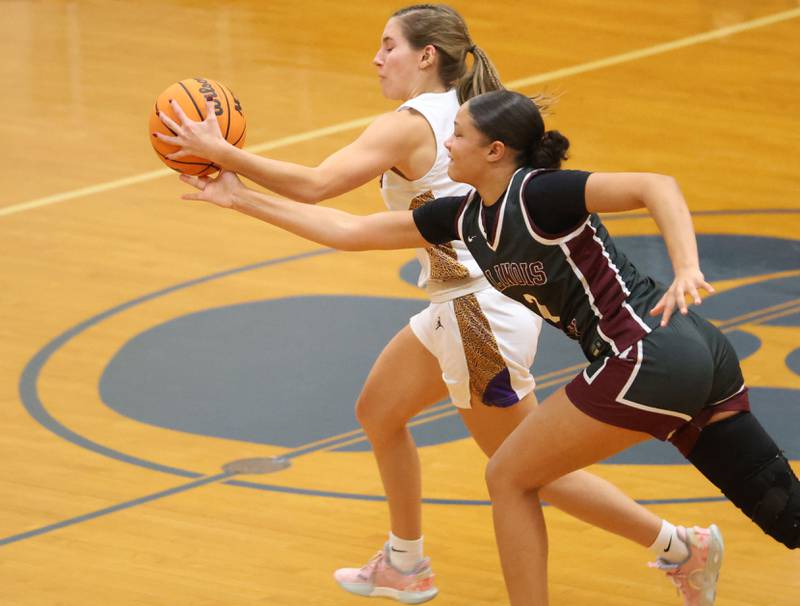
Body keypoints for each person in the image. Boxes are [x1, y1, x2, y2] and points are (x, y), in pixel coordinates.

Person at [157, 6, 735, 604]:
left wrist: (223, 153)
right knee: (379, 412)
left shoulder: (412, 122)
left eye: (388, 46)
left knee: (519, 471)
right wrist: (239, 197)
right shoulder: (461, 110)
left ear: (426, 54)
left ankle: (678, 546)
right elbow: (348, 228)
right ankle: (405, 562)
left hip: (475, 314)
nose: (377, 58)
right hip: (457, 304)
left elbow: (318, 186)